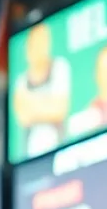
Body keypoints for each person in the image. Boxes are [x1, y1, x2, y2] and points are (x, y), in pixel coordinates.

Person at [13, 23, 71, 159]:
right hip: (30, 156)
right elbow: (23, 116)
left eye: (43, 41)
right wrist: (47, 103)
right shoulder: (21, 80)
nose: (40, 47)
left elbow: (60, 109)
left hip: (58, 151)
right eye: (36, 42)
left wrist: (32, 106)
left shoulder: (59, 67)